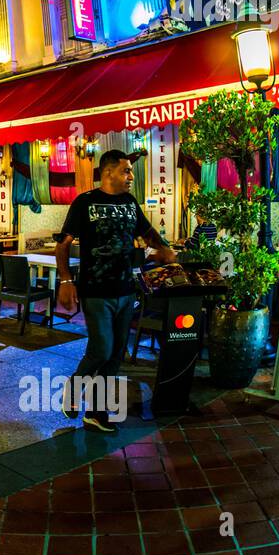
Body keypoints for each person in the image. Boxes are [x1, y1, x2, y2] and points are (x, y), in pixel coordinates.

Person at [56, 149, 176, 433]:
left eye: (131, 171)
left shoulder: (130, 203)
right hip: (96, 290)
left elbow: (147, 232)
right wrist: (65, 280)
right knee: (101, 349)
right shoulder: (85, 202)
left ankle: (95, 414)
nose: (131, 176)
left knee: (115, 355)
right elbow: (63, 244)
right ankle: (73, 389)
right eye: (126, 171)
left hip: (126, 289)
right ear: (108, 172)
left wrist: (163, 248)